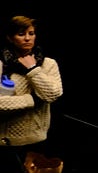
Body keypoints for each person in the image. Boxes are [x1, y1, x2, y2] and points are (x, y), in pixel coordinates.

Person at [0, 16, 64, 154]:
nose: (27, 38)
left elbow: (52, 95)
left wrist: (33, 69)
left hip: (36, 141)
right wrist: (32, 100)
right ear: (10, 38)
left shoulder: (48, 64)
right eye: (21, 34)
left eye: (31, 33)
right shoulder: (1, 65)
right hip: (3, 140)